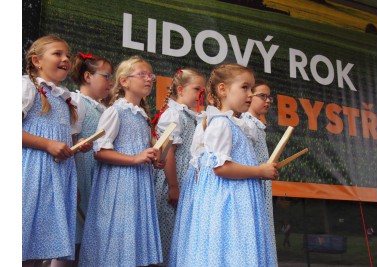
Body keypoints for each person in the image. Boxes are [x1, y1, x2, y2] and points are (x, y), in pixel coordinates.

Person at [179, 63, 279, 267]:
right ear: (223, 89)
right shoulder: (220, 123)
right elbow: (221, 168)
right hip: (229, 202)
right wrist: (258, 171)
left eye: (252, 89)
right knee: (230, 250)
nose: (250, 94)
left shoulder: (235, 124)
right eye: (245, 88)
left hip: (240, 200)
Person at [78, 56, 165, 267]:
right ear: (124, 81)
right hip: (119, 185)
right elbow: (100, 151)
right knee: (116, 237)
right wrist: (135, 158)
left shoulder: (141, 115)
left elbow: (136, 150)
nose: (149, 79)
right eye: (142, 74)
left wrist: (150, 159)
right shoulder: (115, 111)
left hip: (137, 183)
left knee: (132, 237)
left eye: (151, 75)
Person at [22, 35, 92, 267]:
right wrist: (48, 144)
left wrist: (78, 144)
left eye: (67, 56)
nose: (65, 59)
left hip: (57, 178)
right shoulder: (26, 87)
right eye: (57, 54)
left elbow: (66, 138)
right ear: (37, 61)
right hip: (29, 173)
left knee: (38, 246)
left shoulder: (67, 100)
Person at [152, 68, 206, 265]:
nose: (200, 95)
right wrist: (174, 186)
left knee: (183, 231)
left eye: (203, 91)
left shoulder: (193, 116)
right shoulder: (174, 114)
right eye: (196, 89)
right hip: (174, 178)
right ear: (181, 89)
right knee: (169, 227)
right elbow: (169, 152)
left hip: (188, 179)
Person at [69, 51, 114, 266]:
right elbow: (69, 139)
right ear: (88, 76)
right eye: (106, 76)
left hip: (96, 177)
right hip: (80, 174)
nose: (110, 83)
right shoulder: (77, 102)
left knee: (86, 240)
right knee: (71, 237)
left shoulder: (105, 109)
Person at [241, 80, 277, 265]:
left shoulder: (257, 125)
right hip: (251, 183)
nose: (268, 100)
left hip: (260, 181)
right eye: (262, 96)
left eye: (269, 97)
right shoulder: (246, 124)